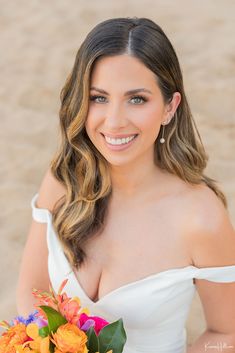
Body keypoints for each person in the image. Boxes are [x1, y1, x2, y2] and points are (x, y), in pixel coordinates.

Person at [16, 17, 235, 353]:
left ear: (169, 107)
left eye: (137, 99)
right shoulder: (63, 181)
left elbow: (226, 334)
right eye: (98, 98)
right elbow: (33, 290)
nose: (115, 121)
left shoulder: (200, 218)